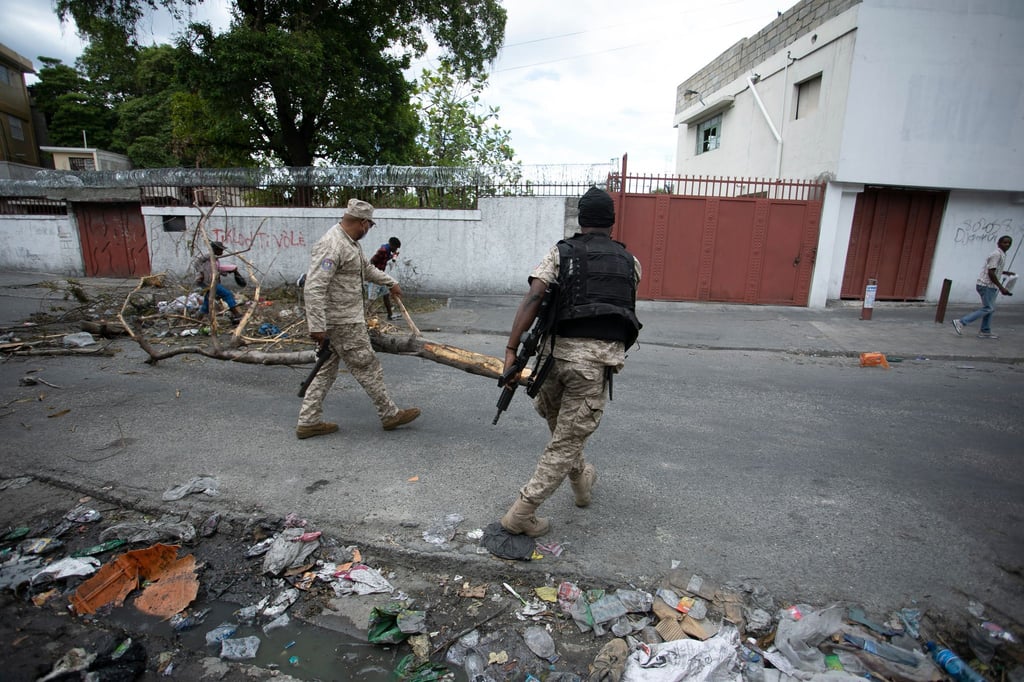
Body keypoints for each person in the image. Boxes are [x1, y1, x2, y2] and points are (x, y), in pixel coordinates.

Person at [498, 187, 642, 537]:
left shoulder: (561, 253)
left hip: (552, 360)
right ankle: (521, 512)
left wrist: (511, 350)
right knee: (566, 439)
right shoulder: (630, 263)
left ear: (581, 219)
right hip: (592, 365)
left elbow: (535, 296)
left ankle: (581, 483)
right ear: (612, 222)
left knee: (565, 433)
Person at [296, 199, 420, 439]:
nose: (368, 230)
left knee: (325, 370)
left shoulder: (349, 243)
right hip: (342, 321)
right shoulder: (332, 244)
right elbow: (314, 287)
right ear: (363, 222)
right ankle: (389, 413)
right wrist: (317, 325)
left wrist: (390, 282)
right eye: (369, 226)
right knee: (367, 365)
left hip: (342, 319)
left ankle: (308, 421)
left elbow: (367, 269)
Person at [952, 235, 1014, 339]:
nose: (1007, 245)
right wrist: (1001, 287)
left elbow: (993, 269)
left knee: (991, 308)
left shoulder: (1002, 254)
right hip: (986, 285)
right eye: (1004, 242)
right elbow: (991, 272)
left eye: (1009, 243)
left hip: (991, 285)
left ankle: (985, 330)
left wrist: (1006, 272)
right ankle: (961, 322)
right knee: (988, 308)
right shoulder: (996, 254)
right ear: (998, 243)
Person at [192, 241, 245, 323]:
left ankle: (198, 318)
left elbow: (217, 269)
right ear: (216, 249)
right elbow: (196, 262)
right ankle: (236, 314)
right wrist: (201, 272)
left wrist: (230, 269)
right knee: (227, 294)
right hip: (208, 282)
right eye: (221, 250)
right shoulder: (208, 256)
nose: (222, 252)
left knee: (208, 300)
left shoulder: (214, 258)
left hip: (211, 281)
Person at [369, 237, 402, 320]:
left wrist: (394, 256)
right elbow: (372, 261)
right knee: (371, 299)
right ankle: (367, 316)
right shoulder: (382, 250)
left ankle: (390, 315)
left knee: (386, 294)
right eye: (396, 247)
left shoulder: (387, 251)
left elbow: (385, 258)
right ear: (392, 245)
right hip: (375, 277)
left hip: (381, 276)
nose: (396, 249)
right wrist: (374, 273)